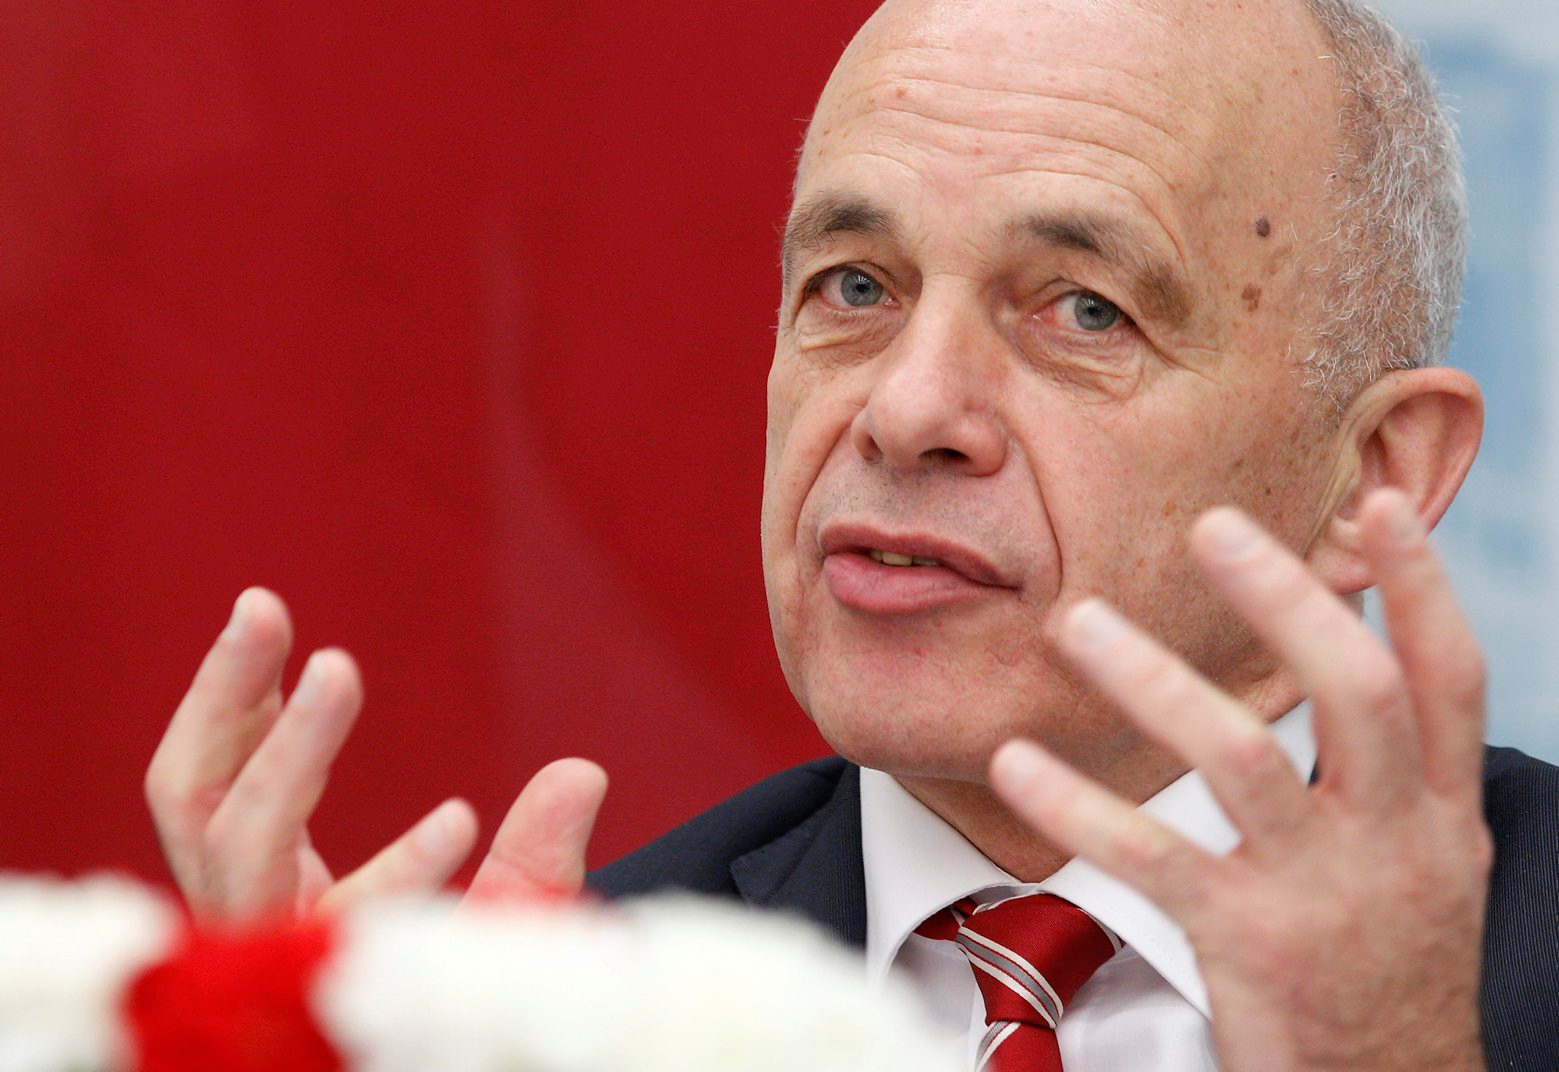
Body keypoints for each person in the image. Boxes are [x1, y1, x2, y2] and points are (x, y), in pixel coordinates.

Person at [144, 0, 1559, 1068]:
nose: (908, 409)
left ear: (1374, 473)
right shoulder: (573, 1000)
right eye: (854, 285)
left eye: (1083, 310)